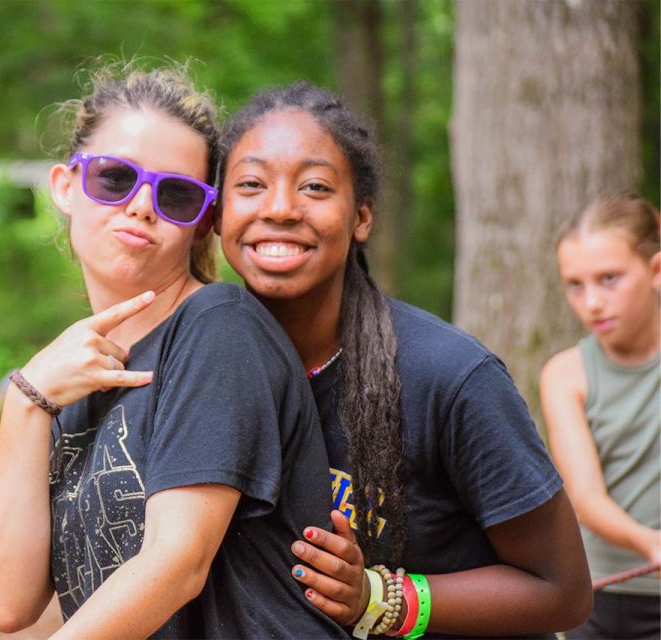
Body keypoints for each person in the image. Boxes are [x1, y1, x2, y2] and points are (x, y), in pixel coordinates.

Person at [0, 65, 344, 639]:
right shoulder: (70, 372)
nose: (143, 205)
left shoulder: (218, 329)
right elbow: (8, 601)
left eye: (176, 194)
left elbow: (177, 565)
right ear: (65, 186)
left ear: (201, 225)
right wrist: (26, 402)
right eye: (115, 178)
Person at [216, 81, 593, 638]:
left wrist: (379, 598)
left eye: (315, 187)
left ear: (361, 217)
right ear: (218, 211)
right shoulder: (209, 371)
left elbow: (562, 591)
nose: (279, 208)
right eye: (250, 184)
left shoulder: (450, 377)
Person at [540, 194, 660, 640]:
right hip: (597, 597)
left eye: (609, 279)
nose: (592, 302)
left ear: (656, 271)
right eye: (576, 285)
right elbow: (586, 497)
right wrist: (650, 541)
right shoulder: (566, 373)